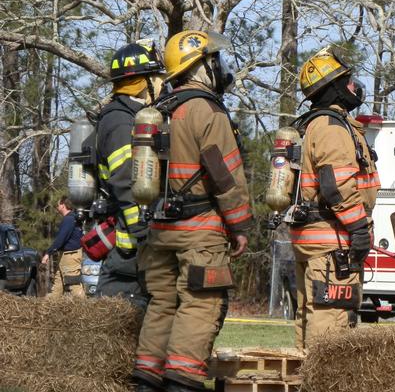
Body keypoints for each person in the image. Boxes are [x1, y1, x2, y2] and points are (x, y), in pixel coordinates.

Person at [133, 30, 254, 392]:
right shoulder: (206, 110)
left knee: (162, 305)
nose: (219, 68)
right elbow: (224, 175)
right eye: (213, 61)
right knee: (199, 306)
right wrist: (240, 225)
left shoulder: (161, 110)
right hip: (200, 230)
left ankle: (146, 381)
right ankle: (181, 384)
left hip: (160, 230)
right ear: (200, 66)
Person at [290, 46, 380, 350]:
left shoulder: (321, 125)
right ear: (335, 88)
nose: (354, 86)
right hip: (333, 243)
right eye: (348, 80)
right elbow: (336, 186)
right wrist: (358, 228)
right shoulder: (331, 128)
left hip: (319, 241)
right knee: (330, 325)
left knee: (312, 318)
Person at [94, 41, 165, 305]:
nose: (161, 83)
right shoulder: (121, 122)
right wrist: (146, 232)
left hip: (136, 246)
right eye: (156, 77)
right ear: (141, 82)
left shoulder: (133, 116)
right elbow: (126, 180)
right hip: (129, 250)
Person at [41, 196, 85, 297]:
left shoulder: (69, 219)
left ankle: (87, 310)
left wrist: (48, 253)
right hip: (66, 256)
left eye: (58, 204)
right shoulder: (73, 218)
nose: (57, 207)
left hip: (70, 256)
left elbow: (60, 239)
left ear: (63, 205)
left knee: (74, 285)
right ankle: (46, 309)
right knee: (57, 286)